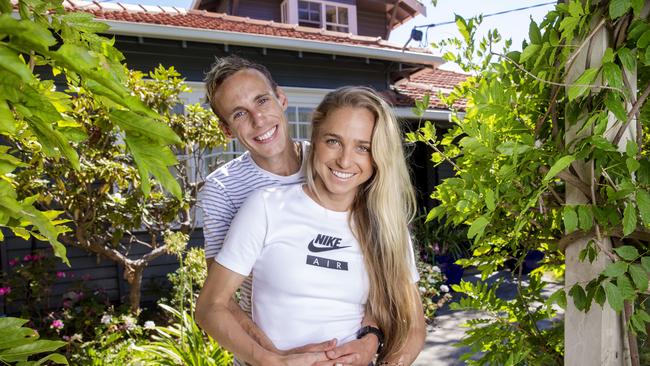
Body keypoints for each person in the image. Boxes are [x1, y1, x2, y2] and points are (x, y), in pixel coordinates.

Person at [196, 86, 426, 365]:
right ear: (314, 138)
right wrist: (272, 362)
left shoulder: (387, 225)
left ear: (378, 156)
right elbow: (210, 307)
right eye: (333, 141)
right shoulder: (266, 207)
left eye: (362, 147)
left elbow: (413, 326)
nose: (344, 160)